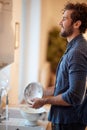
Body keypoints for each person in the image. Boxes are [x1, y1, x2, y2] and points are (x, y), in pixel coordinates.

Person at [28, 2, 87, 130]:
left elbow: (74, 96)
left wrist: (44, 101)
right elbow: (64, 86)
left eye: (65, 19)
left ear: (77, 24)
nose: (60, 22)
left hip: (69, 123)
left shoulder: (77, 52)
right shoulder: (74, 47)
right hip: (66, 120)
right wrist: (41, 92)